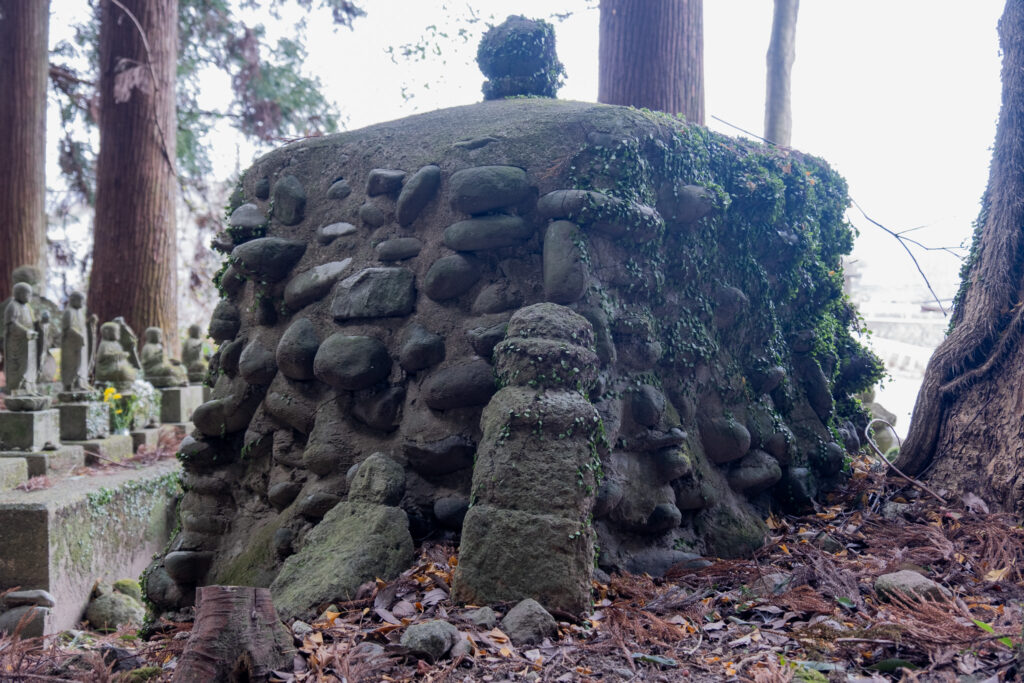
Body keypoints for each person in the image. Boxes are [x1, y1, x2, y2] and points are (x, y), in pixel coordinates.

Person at [3, 283, 39, 394]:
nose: (30, 297)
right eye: (28, 294)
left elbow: (32, 323)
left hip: (28, 341)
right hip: (16, 343)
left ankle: (29, 387)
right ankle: (17, 389)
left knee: (30, 364)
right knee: (18, 365)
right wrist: (26, 332)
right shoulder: (13, 306)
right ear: (19, 294)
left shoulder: (27, 307)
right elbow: (11, 324)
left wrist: (40, 325)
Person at [60, 291, 92, 392]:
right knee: (71, 364)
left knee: (81, 363)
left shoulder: (80, 313)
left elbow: (82, 327)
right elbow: (68, 328)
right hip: (70, 344)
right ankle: (69, 385)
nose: (82, 303)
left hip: (80, 344)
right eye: (81, 300)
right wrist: (78, 336)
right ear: (73, 300)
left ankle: (81, 382)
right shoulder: (69, 312)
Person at [95, 321, 138, 388]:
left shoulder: (117, 344)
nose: (119, 333)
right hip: (107, 368)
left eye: (118, 331)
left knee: (131, 370)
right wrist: (118, 355)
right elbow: (102, 357)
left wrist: (123, 354)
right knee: (122, 371)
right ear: (107, 333)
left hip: (118, 365)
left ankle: (125, 384)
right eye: (116, 331)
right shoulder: (105, 344)